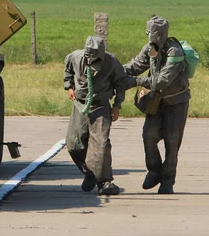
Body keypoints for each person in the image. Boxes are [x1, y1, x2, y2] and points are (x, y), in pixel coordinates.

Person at [123, 15, 190, 194]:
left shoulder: (174, 52)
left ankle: (167, 180)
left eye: (155, 34)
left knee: (172, 140)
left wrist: (135, 81)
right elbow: (135, 65)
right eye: (149, 33)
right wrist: (115, 72)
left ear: (162, 34)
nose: (151, 37)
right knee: (149, 135)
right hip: (156, 101)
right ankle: (154, 170)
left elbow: (163, 81)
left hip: (176, 102)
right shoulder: (151, 48)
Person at [64, 35, 126, 196]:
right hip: (80, 105)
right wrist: (69, 86)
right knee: (73, 142)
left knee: (101, 145)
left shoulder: (111, 61)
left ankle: (105, 182)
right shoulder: (75, 57)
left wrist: (117, 105)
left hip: (101, 106)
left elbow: (121, 83)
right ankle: (89, 172)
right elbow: (68, 71)